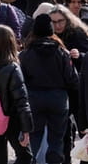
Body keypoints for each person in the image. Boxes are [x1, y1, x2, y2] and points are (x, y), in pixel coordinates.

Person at [20, 14, 79, 164]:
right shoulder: (62, 52)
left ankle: (35, 160)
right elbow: (72, 79)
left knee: (35, 136)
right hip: (58, 98)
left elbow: (21, 80)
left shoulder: (26, 54)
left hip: (34, 98)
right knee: (57, 139)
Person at [0, 25, 34, 164]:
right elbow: (21, 100)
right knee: (25, 156)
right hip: (12, 119)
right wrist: (26, 128)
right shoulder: (13, 68)